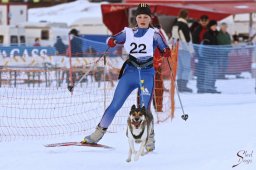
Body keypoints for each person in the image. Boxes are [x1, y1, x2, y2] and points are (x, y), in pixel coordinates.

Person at [82, 3, 171, 152]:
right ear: (136, 18)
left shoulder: (155, 33)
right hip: (130, 73)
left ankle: (149, 138)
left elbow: (164, 48)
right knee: (114, 105)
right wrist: (111, 41)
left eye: (146, 17)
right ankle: (97, 134)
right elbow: (112, 39)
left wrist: (166, 51)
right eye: (140, 16)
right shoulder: (128, 32)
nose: (142, 19)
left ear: (150, 18)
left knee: (145, 109)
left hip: (146, 73)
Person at [171, 9, 194, 93]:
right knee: (186, 68)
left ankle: (180, 86)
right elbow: (187, 39)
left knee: (180, 68)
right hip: (184, 49)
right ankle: (183, 86)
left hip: (177, 48)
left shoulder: (175, 25)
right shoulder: (184, 25)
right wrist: (191, 51)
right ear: (186, 16)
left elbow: (173, 38)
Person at [200, 20, 221, 93]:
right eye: (214, 26)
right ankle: (207, 87)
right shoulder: (207, 34)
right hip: (208, 58)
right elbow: (206, 47)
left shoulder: (215, 34)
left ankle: (212, 86)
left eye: (216, 26)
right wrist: (208, 57)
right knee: (209, 73)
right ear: (210, 26)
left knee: (214, 73)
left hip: (215, 57)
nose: (215, 27)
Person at [192, 15, 209, 93]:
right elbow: (195, 42)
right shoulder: (197, 30)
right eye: (203, 21)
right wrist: (197, 53)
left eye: (205, 21)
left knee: (207, 70)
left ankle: (206, 86)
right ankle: (200, 87)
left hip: (208, 53)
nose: (204, 22)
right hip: (200, 54)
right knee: (201, 70)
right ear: (200, 21)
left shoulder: (208, 29)